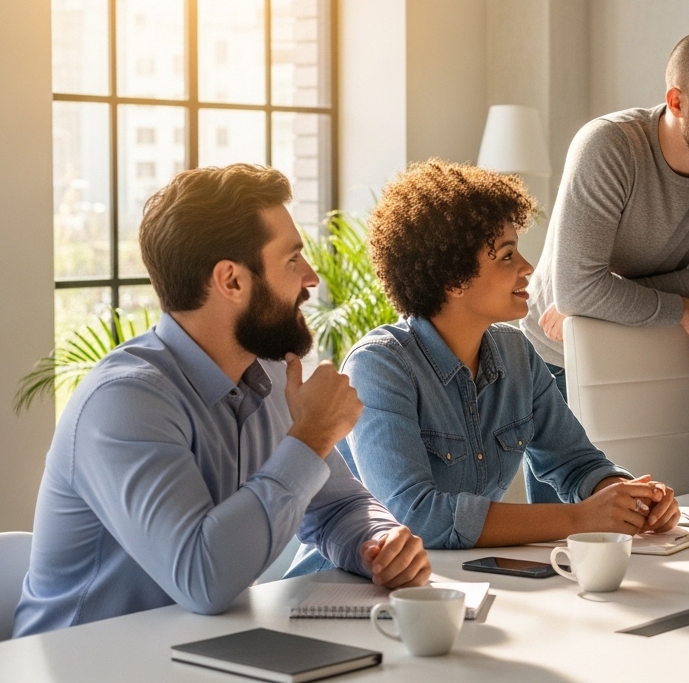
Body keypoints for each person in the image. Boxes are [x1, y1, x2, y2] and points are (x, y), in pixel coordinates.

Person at [13, 165, 429, 638]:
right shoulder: (125, 402)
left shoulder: (269, 373)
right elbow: (202, 578)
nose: (311, 278)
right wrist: (311, 437)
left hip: (200, 654)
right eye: (293, 260)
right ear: (231, 280)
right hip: (87, 666)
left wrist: (380, 543)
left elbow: (335, 506)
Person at [334, 159, 680, 551]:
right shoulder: (379, 367)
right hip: (348, 594)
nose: (527, 268)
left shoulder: (516, 353)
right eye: (505, 255)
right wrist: (580, 518)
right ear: (452, 278)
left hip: (456, 581)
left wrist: (626, 497)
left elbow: (576, 463)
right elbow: (417, 517)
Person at [521, 29, 689, 501]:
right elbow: (576, 292)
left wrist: (598, 295)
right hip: (560, 356)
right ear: (677, 101)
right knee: (571, 537)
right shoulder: (608, 146)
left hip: (659, 347)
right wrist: (686, 310)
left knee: (673, 520)